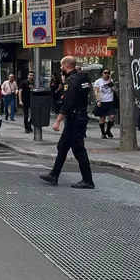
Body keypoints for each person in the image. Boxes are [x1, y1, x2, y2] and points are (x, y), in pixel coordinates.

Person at [40, 56, 95, 189]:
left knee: (78, 149)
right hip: (80, 116)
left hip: (74, 118)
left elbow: (68, 103)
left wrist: (58, 121)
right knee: (62, 147)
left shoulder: (71, 81)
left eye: (61, 66)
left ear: (66, 66)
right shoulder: (83, 78)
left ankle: (88, 180)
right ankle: (54, 174)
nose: (60, 68)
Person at [93, 68, 117, 139]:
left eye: (108, 73)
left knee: (112, 116)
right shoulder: (98, 82)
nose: (107, 74)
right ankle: (103, 133)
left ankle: (108, 130)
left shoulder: (110, 81)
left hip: (110, 101)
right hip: (102, 101)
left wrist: (110, 82)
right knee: (102, 117)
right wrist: (98, 100)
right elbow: (96, 92)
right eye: (105, 73)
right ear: (102, 74)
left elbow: (114, 89)